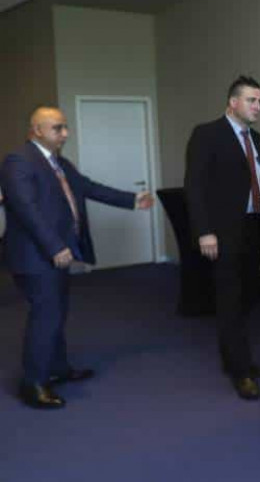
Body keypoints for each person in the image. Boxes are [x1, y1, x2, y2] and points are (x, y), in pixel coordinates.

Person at [0, 106, 153, 409]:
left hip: (55, 254)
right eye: (57, 128)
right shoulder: (18, 161)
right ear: (37, 130)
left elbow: (88, 187)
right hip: (36, 256)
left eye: (65, 127)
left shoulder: (59, 163)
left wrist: (132, 200)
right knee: (46, 316)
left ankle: (57, 369)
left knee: (56, 313)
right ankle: (33, 384)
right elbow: (26, 209)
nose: (65, 134)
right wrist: (54, 246)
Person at [184, 76, 260, 401]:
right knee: (229, 298)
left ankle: (238, 356)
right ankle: (240, 370)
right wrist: (204, 231)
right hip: (222, 231)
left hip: (253, 228)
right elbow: (194, 186)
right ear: (233, 102)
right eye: (252, 100)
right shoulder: (207, 134)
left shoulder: (258, 139)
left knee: (248, 295)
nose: (258, 107)